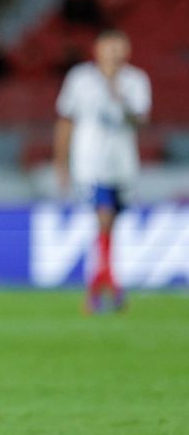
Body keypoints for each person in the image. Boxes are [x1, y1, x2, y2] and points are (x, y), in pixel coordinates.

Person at [53, 29, 150, 314]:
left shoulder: (135, 81)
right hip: (90, 164)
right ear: (97, 50)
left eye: (120, 48)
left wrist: (117, 93)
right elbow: (65, 121)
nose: (115, 53)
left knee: (110, 227)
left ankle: (100, 286)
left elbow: (140, 121)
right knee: (104, 218)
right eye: (110, 47)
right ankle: (110, 290)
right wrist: (61, 163)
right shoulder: (80, 79)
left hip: (123, 165)